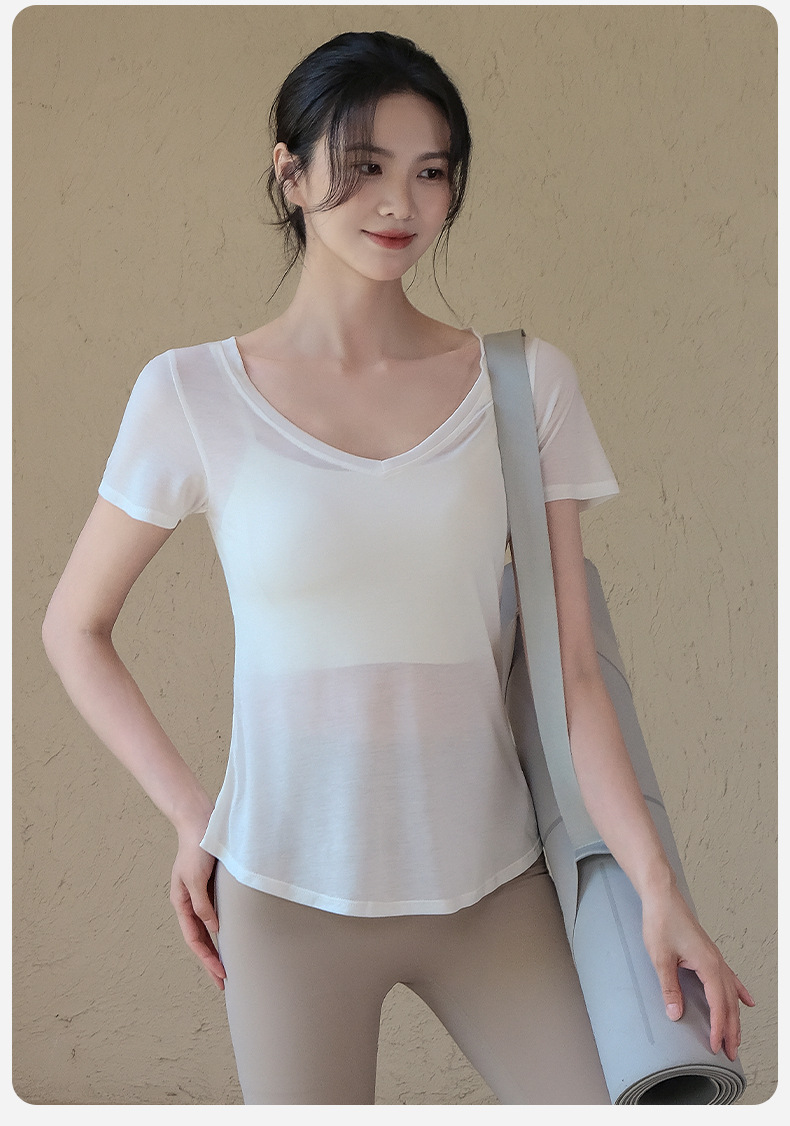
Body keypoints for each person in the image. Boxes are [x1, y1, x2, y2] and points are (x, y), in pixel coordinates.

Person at [42, 30, 754, 1106]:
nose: (399, 203)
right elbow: (73, 628)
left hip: (493, 884)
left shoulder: (523, 383)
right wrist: (197, 817)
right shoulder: (191, 394)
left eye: (431, 171)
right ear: (291, 174)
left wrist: (658, 887)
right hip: (286, 892)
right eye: (364, 164)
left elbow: (573, 674)